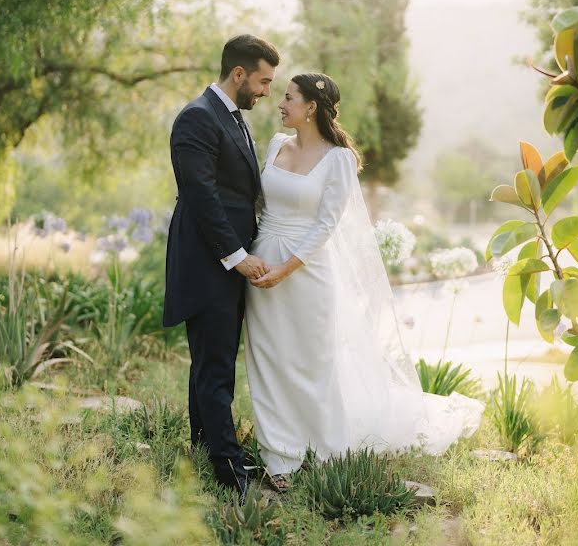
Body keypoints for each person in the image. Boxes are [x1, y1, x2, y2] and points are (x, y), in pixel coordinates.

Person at [244, 73, 484, 490]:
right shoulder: (275, 146)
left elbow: (325, 225)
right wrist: (253, 258)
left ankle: (320, 449)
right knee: (267, 358)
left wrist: (285, 270)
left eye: (288, 98)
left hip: (305, 271)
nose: (280, 104)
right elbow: (258, 203)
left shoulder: (338, 159)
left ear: (311, 108)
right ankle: (278, 455)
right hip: (262, 262)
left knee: (311, 360)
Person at [163, 34, 280, 495]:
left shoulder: (232, 117)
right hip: (210, 261)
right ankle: (231, 472)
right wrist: (238, 258)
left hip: (224, 262)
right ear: (239, 74)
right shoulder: (196, 118)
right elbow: (202, 196)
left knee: (209, 363)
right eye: (263, 81)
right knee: (215, 368)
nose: (267, 90)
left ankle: (201, 449)